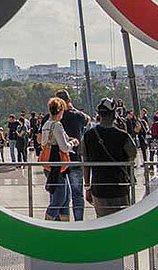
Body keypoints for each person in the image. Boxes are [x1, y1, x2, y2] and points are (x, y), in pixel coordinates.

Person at [82, 99, 136, 218]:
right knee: (122, 222)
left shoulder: (88, 136)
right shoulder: (123, 136)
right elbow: (132, 155)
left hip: (99, 188)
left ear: (99, 114)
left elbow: (86, 164)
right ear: (114, 114)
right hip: (120, 187)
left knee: (102, 222)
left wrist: (87, 187)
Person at [56, 88, 89, 221]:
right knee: (77, 194)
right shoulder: (77, 116)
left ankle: (63, 222)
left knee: (61, 195)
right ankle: (79, 221)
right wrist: (72, 107)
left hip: (58, 160)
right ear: (68, 101)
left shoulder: (51, 119)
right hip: (74, 158)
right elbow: (88, 119)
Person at [41, 97, 75, 221]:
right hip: (58, 164)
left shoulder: (46, 125)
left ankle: (60, 222)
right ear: (60, 110)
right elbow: (64, 147)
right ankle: (50, 223)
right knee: (61, 198)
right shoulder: (57, 125)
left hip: (49, 163)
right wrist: (72, 143)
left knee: (63, 197)